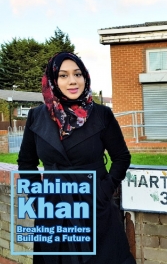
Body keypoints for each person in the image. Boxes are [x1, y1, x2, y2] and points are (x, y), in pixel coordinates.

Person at [17, 52, 136, 264]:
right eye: (63, 75)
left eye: (78, 74)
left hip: (94, 205)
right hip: (54, 207)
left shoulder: (101, 115)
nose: (73, 80)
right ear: (53, 80)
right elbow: (26, 163)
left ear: (85, 77)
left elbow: (121, 157)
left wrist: (103, 191)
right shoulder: (37, 116)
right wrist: (38, 199)